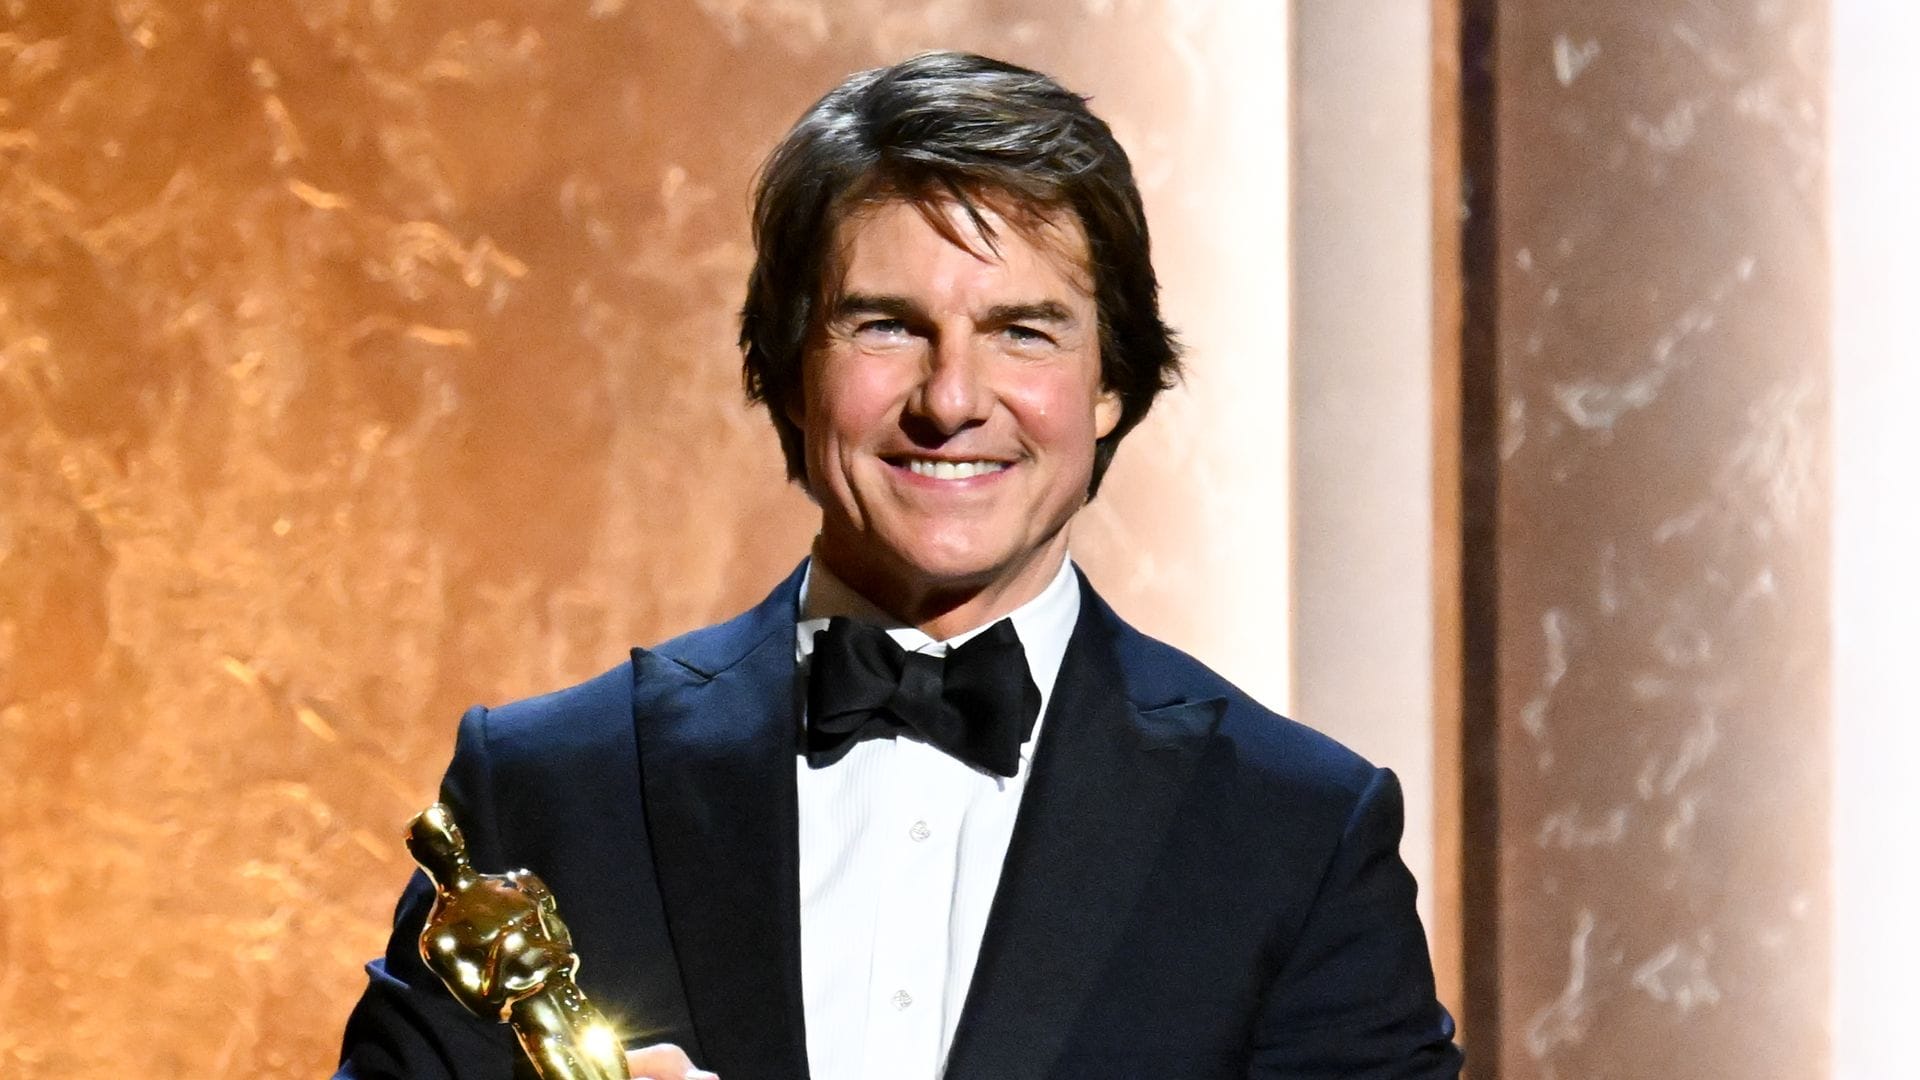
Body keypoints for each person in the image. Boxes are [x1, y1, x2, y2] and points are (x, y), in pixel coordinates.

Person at [336, 50, 1462, 1080]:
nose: (953, 400)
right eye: (886, 326)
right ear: (786, 372)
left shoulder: (1296, 836)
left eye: (1025, 330)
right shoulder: (542, 794)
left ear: (1112, 385)